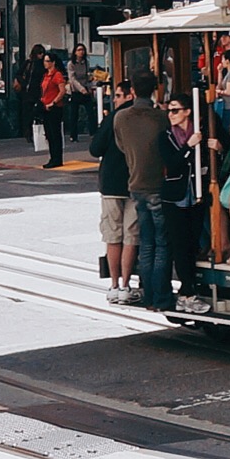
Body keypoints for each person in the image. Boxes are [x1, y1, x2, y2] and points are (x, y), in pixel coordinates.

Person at [109, 76, 178, 310]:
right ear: (154, 90)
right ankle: (161, 296)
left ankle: (148, 295)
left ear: (133, 91)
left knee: (146, 243)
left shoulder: (121, 117)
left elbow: (120, 145)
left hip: (135, 184)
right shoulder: (160, 117)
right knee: (162, 242)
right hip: (158, 184)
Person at [94, 88, 137, 301]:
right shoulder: (144, 115)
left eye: (118, 95)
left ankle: (114, 284)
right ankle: (126, 285)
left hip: (111, 183)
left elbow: (95, 148)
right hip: (135, 182)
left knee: (113, 235)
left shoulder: (113, 118)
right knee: (131, 236)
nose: (115, 99)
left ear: (130, 95)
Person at [32, 51, 70, 169]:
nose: (45, 63)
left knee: (55, 133)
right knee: (49, 133)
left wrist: (53, 102)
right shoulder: (46, 75)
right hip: (45, 106)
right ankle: (52, 157)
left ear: (53, 62)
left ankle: (57, 158)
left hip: (54, 107)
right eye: (44, 61)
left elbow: (62, 91)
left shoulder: (57, 75)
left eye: (47, 61)